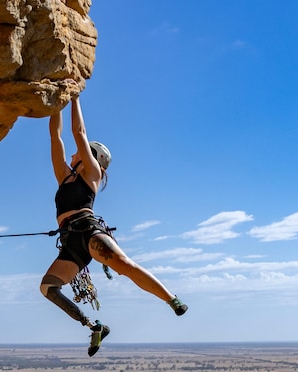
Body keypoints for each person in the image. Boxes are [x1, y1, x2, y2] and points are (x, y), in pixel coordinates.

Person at [40, 90, 188, 356]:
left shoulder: (93, 174)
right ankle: (94, 326)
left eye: (81, 153)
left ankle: (171, 299)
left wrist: (74, 99)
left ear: (92, 157)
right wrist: (56, 103)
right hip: (71, 242)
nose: (74, 154)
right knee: (48, 287)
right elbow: (55, 137)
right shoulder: (64, 177)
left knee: (124, 265)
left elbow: (79, 134)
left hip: (88, 232)